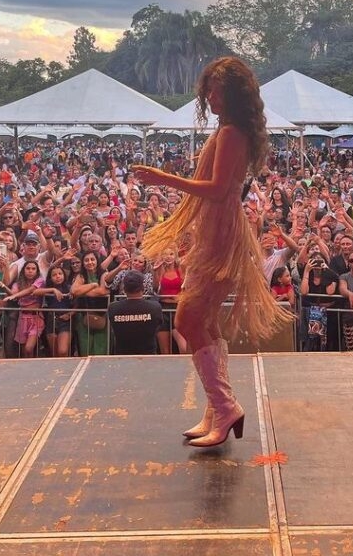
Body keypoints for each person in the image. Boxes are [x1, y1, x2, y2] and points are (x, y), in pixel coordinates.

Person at [132, 56, 293, 448]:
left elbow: (219, 189)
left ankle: (224, 406)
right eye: (208, 90)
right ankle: (216, 408)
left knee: (187, 321)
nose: (210, 96)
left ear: (232, 93)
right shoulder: (230, 131)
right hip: (220, 230)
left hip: (222, 233)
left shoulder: (231, 134)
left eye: (216, 90)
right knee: (204, 322)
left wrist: (161, 178)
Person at [107, 270, 164, 355]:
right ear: (143, 288)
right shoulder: (155, 307)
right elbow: (159, 325)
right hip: (148, 356)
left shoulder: (113, 308)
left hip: (122, 357)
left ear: (124, 289)